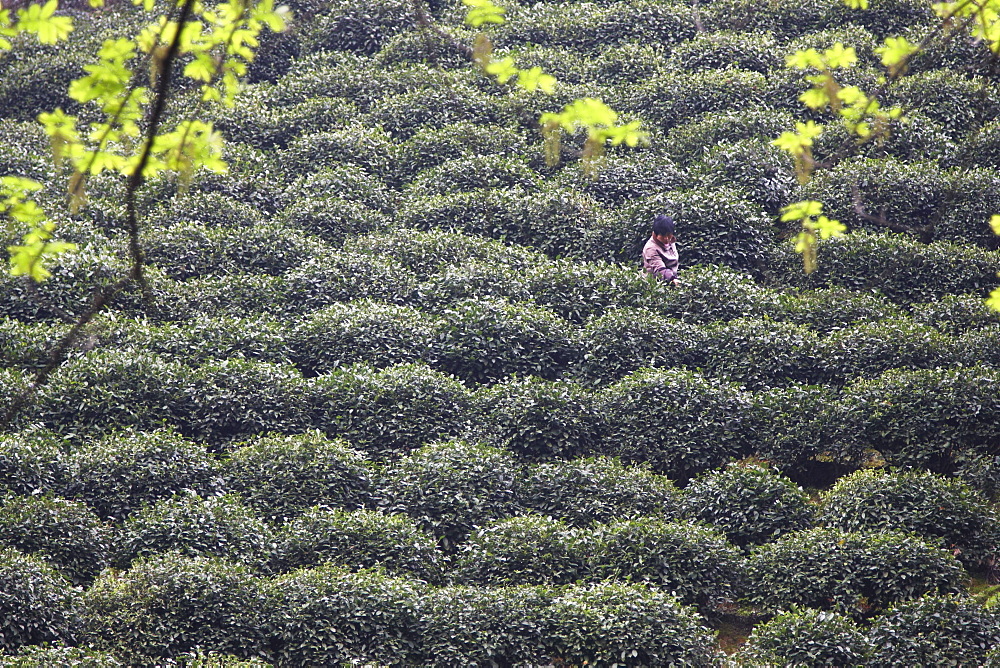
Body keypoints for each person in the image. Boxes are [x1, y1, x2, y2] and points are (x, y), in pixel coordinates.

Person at [642, 214, 680, 285]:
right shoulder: (650, 248)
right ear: (655, 235)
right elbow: (660, 270)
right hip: (655, 284)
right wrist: (672, 278)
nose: (666, 239)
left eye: (668, 235)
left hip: (673, 278)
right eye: (662, 236)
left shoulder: (671, 240)